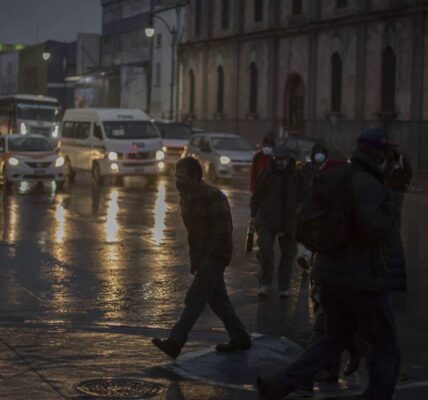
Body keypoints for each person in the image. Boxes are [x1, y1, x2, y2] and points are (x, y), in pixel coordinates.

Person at [257, 127, 406, 400]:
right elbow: (372, 226)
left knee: (332, 340)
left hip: (332, 275)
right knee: (386, 348)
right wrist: (394, 200)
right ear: (380, 153)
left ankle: (279, 384)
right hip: (362, 280)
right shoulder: (369, 184)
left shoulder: (344, 176)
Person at [152, 157, 251, 358]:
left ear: (196, 178)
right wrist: (196, 259)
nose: (178, 181)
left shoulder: (213, 197)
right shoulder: (187, 197)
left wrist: (209, 260)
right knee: (218, 301)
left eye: (182, 177)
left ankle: (175, 342)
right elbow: (193, 233)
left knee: (195, 298)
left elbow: (223, 232)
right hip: (202, 256)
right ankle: (240, 337)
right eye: (176, 177)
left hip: (215, 256)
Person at [250, 143, 302, 298]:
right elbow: (256, 196)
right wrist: (253, 216)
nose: (281, 162)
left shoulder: (296, 175)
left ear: (288, 158)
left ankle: (284, 287)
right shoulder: (266, 174)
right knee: (265, 251)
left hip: (289, 222)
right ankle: (265, 282)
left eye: (284, 159)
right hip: (267, 220)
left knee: (288, 255)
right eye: (278, 159)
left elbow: (304, 197)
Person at [383, 147, 412, 227]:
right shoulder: (387, 162)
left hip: (398, 190)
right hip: (389, 190)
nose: (389, 154)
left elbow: (409, 173)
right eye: (388, 153)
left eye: (391, 153)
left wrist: (401, 183)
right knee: (389, 210)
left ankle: (396, 229)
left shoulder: (402, 160)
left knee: (397, 211)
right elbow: (384, 174)